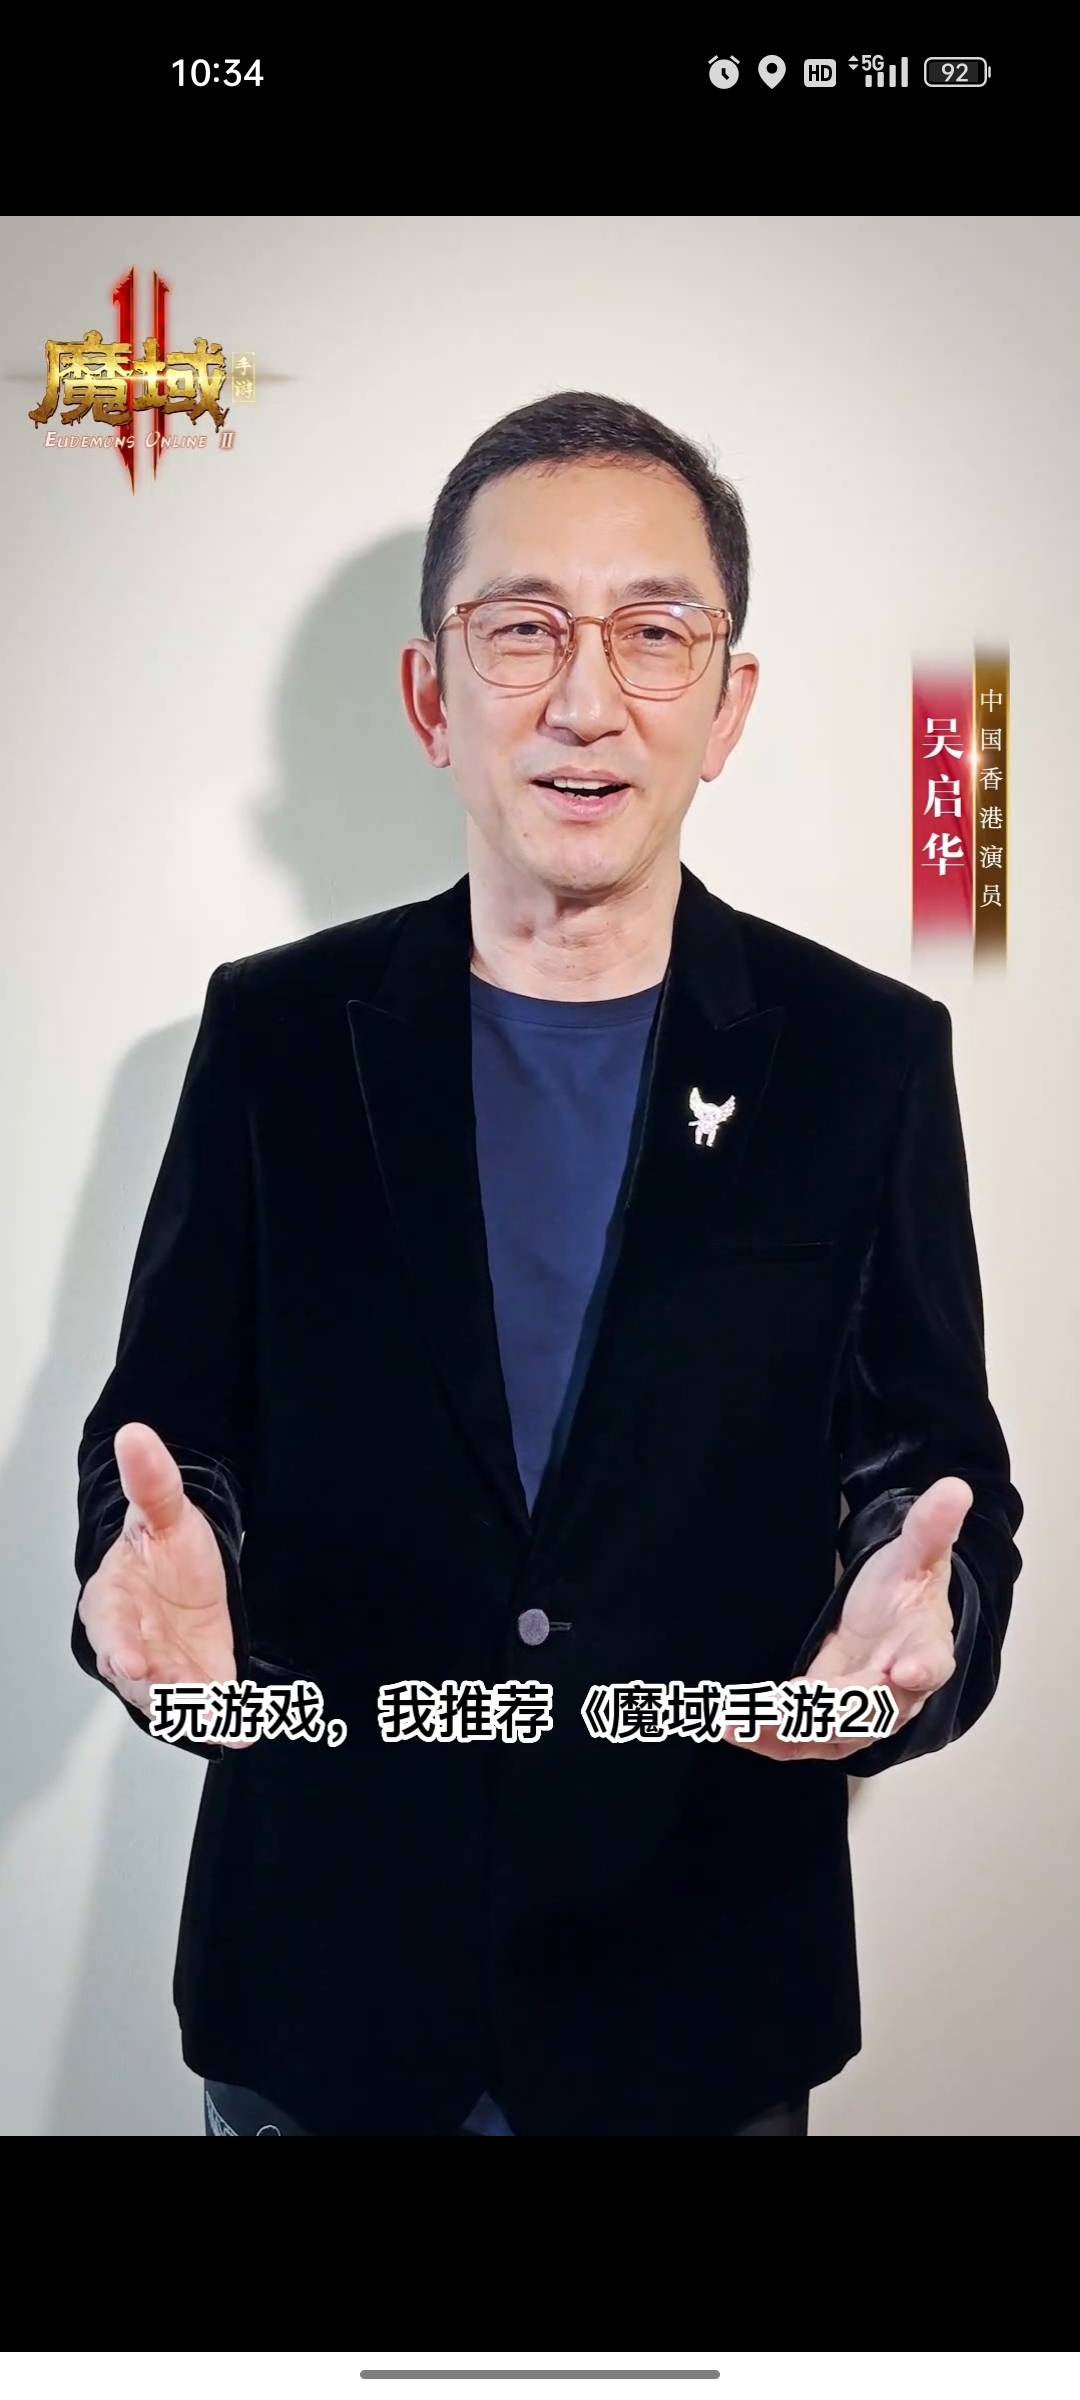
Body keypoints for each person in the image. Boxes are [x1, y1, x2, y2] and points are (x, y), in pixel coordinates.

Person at [72, 389, 1024, 2137]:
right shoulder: (276, 1037)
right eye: (523, 631)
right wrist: (148, 1575)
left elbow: (937, 1484)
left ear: (729, 705)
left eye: (655, 633)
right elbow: (159, 1443)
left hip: (697, 1998)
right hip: (325, 1993)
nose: (587, 700)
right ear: (432, 695)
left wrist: (921, 1619)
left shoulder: (864, 1058)